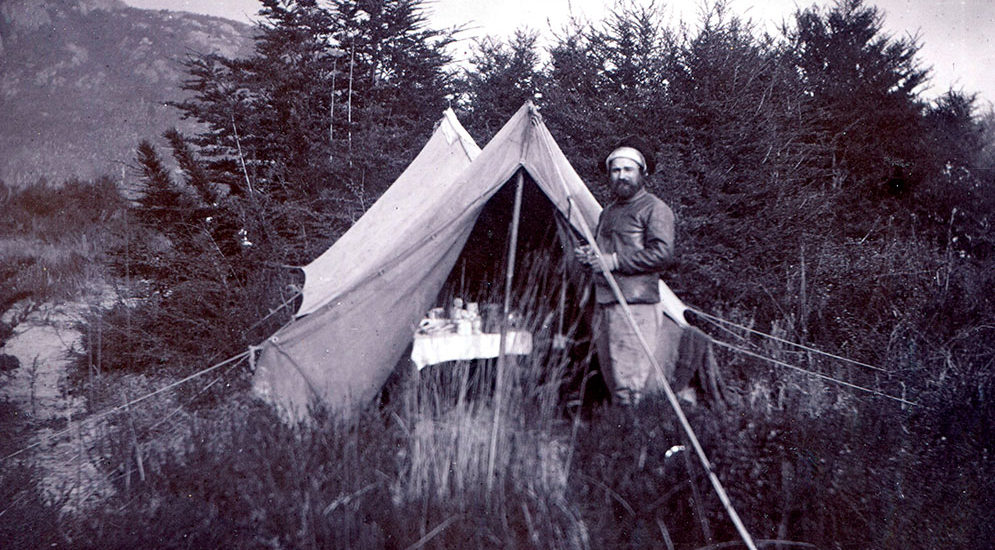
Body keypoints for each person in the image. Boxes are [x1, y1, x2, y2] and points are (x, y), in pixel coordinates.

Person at [575, 138, 676, 405]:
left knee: (631, 386)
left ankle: (633, 441)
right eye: (616, 170)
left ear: (642, 173)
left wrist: (615, 262)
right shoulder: (608, 213)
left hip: (635, 305)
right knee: (615, 381)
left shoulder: (655, 209)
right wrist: (590, 256)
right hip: (607, 303)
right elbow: (604, 255)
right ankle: (623, 438)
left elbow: (662, 254)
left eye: (628, 170)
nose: (621, 176)